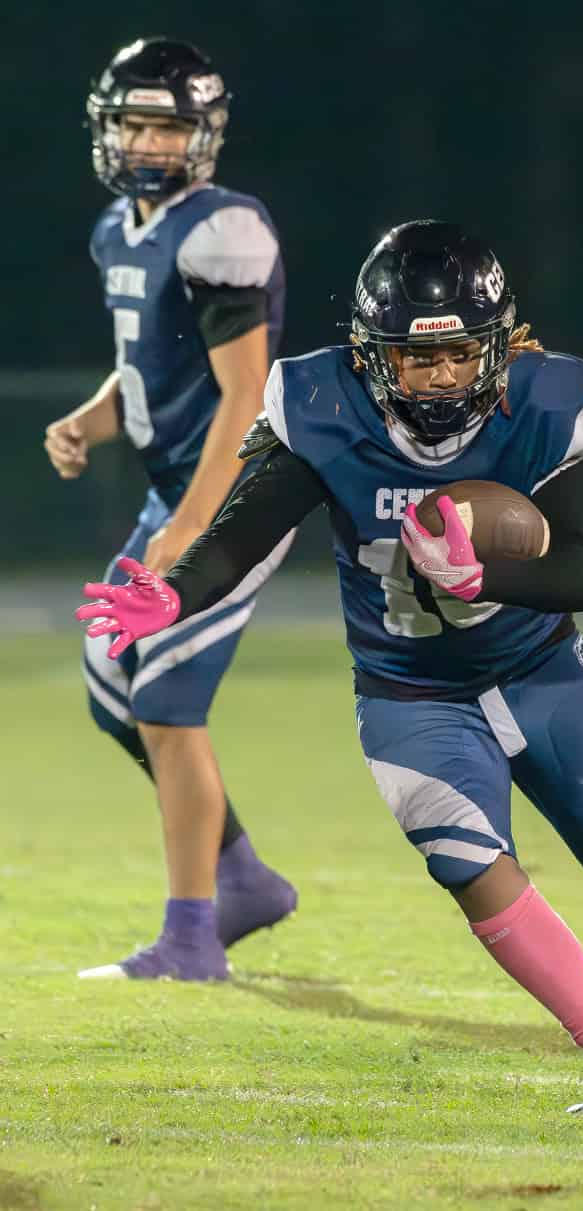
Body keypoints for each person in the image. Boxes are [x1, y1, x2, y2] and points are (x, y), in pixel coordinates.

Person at [76, 220, 583, 1113]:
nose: (439, 378)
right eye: (415, 358)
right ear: (368, 353)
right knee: (467, 863)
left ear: (498, 347)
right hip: (408, 690)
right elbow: (238, 536)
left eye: (462, 354)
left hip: (543, 674)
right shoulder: (321, 402)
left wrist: (487, 575)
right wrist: (176, 591)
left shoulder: (553, 400)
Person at [47, 37, 296, 981]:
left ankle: (191, 937)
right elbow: (152, 366)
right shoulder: (122, 230)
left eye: (167, 124)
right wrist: (93, 417)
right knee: (113, 686)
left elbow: (243, 394)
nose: (149, 142)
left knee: (163, 699)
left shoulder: (222, 231)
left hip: (239, 498)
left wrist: (190, 532)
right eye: (135, 122)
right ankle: (242, 879)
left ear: (203, 135)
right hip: (177, 493)